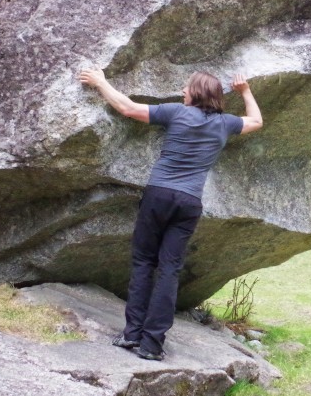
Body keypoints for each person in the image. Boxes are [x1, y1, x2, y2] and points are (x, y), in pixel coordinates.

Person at [78, 67, 263, 360]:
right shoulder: (225, 123)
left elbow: (127, 108)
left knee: (142, 263)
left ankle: (131, 335)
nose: (182, 91)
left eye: (187, 88)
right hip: (189, 201)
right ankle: (152, 345)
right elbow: (256, 120)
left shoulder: (176, 113)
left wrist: (101, 82)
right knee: (169, 270)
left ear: (196, 93)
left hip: (158, 195)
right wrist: (245, 91)